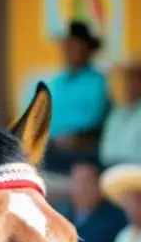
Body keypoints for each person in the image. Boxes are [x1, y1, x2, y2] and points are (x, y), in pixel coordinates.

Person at [42, 21, 111, 173]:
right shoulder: (54, 83)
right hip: (51, 148)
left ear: (88, 49)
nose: (67, 50)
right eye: (66, 45)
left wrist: (72, 139)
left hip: (82, 150)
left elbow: (96, 124)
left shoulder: (99, 83)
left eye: (74, 44)